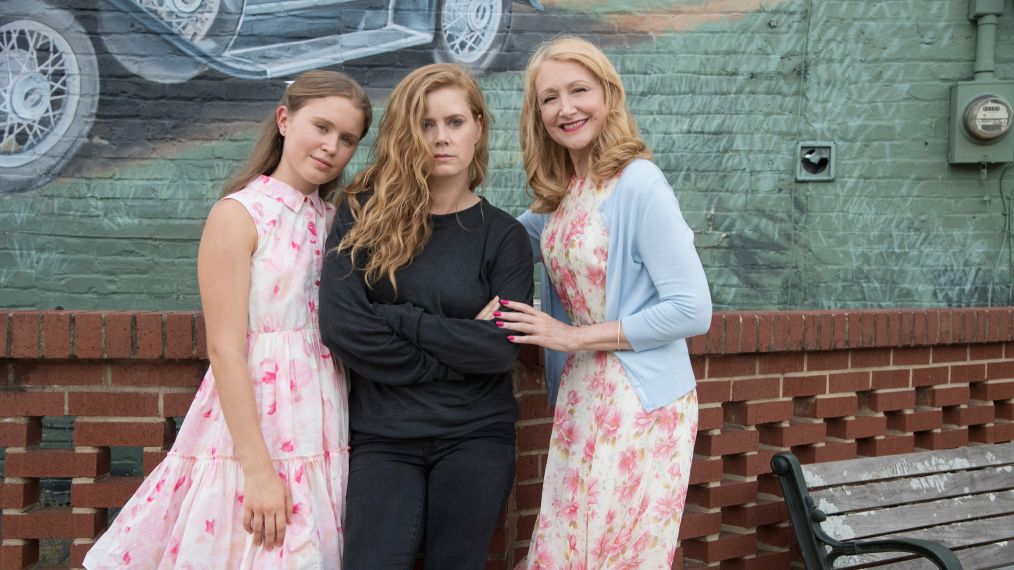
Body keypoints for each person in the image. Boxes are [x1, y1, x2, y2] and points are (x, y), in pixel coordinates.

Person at [83, 70, 372, 569]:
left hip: (324, 421)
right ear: (284, 119)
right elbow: (224, 349)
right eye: (321, 127)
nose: (331, 147)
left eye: (347, 139)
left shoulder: (334, 222)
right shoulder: (240, 214)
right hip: (256, 425)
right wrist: (258, 471)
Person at [498, 36, 712, 568]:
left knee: (614, 553)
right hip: (580, 394)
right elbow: (496, 246)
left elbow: (692, 310)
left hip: (640, 402)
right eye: (550, 98)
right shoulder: (562, 194)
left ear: (608, 95)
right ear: (537, 112)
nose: (566, 108)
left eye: (579, 90)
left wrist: (572, 337)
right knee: (567, 547)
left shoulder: (639, 183)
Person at [318, 63, 533, 569]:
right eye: (426, 124)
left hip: (476, 436)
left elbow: (502, 349)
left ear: (478, 127)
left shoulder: (504, 237)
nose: (441, 138)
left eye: (455, 122)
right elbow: (344, 327)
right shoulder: (362, 214)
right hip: (383, 437)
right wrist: (460, 343)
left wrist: (399, 319)